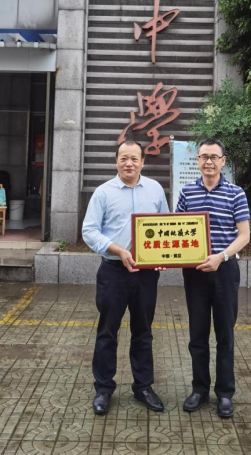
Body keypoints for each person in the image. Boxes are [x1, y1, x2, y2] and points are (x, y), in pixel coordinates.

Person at [82, 140, 169, 415]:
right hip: (113, 272)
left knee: (143, 331)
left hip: (146, 274)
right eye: (123, 158)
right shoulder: (103, 193)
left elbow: (165, 225)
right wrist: (118, 250)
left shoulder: (155, 189)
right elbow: (89, 231)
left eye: (134, 158)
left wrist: (164, 256)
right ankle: (103, 389)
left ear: (143, 162)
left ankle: (143, 387)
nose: (129, 163)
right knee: (107, 331)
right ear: (116, 161)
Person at [176, 138, 250, 418]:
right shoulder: (187, 193)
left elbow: (244, 236)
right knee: (197, 333)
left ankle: (225, 393)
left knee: (225, 334)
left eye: (214, 157)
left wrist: (221, 256)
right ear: (197, 161)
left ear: (223, 161)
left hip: (225, 270)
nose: (209, 161)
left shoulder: (236, 193)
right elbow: (177, 230)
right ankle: (199, 389)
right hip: (195, 272)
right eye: (204, 156)